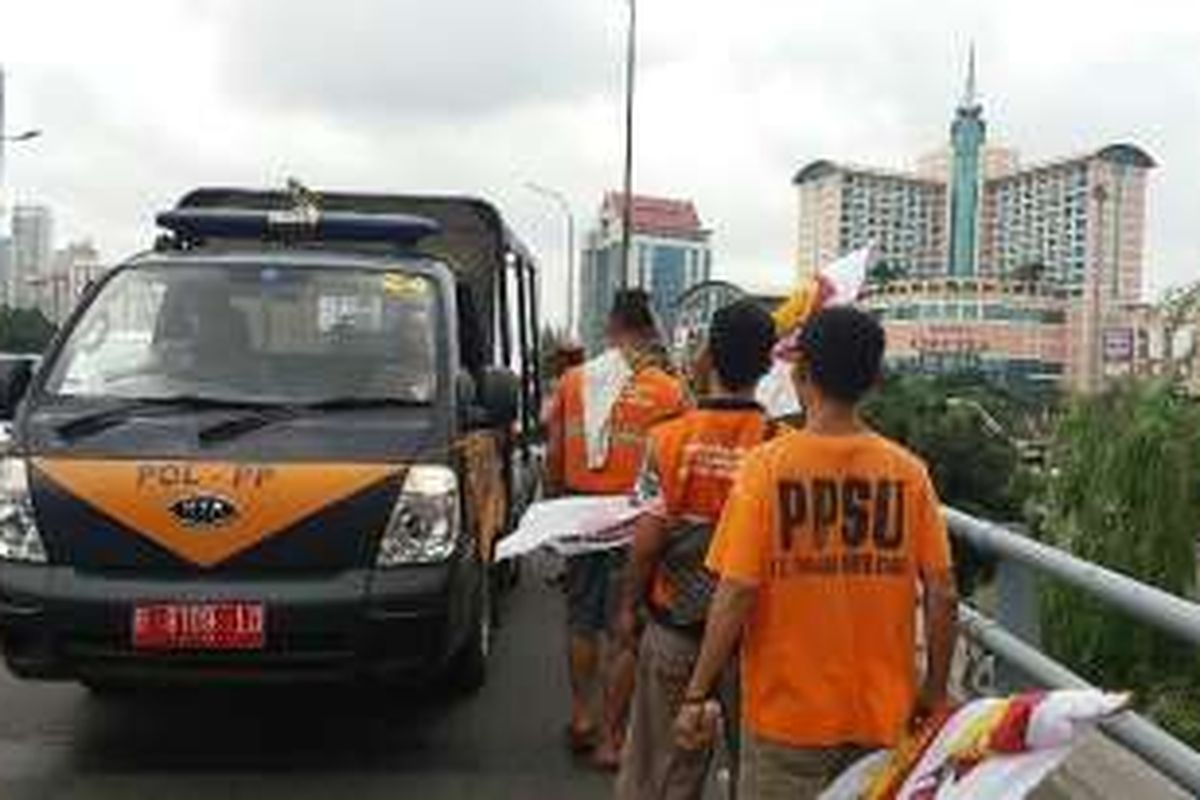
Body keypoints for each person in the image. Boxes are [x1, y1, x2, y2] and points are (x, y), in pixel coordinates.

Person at [674, 307, 958, 800]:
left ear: (801, 373)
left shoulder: (766, 469)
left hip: (786, 719)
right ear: (872, 383)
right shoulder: (909, 473)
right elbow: (943, 593)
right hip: (882, 720)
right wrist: (933, 690)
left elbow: (737, 590)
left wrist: (697, 692)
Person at [614, 301, 776, 800]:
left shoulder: (667, 440)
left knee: (661, 778)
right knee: (754, 777)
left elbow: (647, 540)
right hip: (758, 644)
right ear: (769, 365)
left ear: (706, 356)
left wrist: (628, 608)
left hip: (676, 632)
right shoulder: (780, 447)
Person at [544, 289, 688, 764]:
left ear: (611, 326)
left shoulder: (573, 381)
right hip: (635, 520)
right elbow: (674, 469)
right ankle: (612, 738)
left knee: (581, 619)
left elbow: (555, 460)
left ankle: (582, 716)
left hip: (582, 514)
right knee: (626, 628)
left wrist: (551, 515)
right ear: (649, 330)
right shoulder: (669, 391)